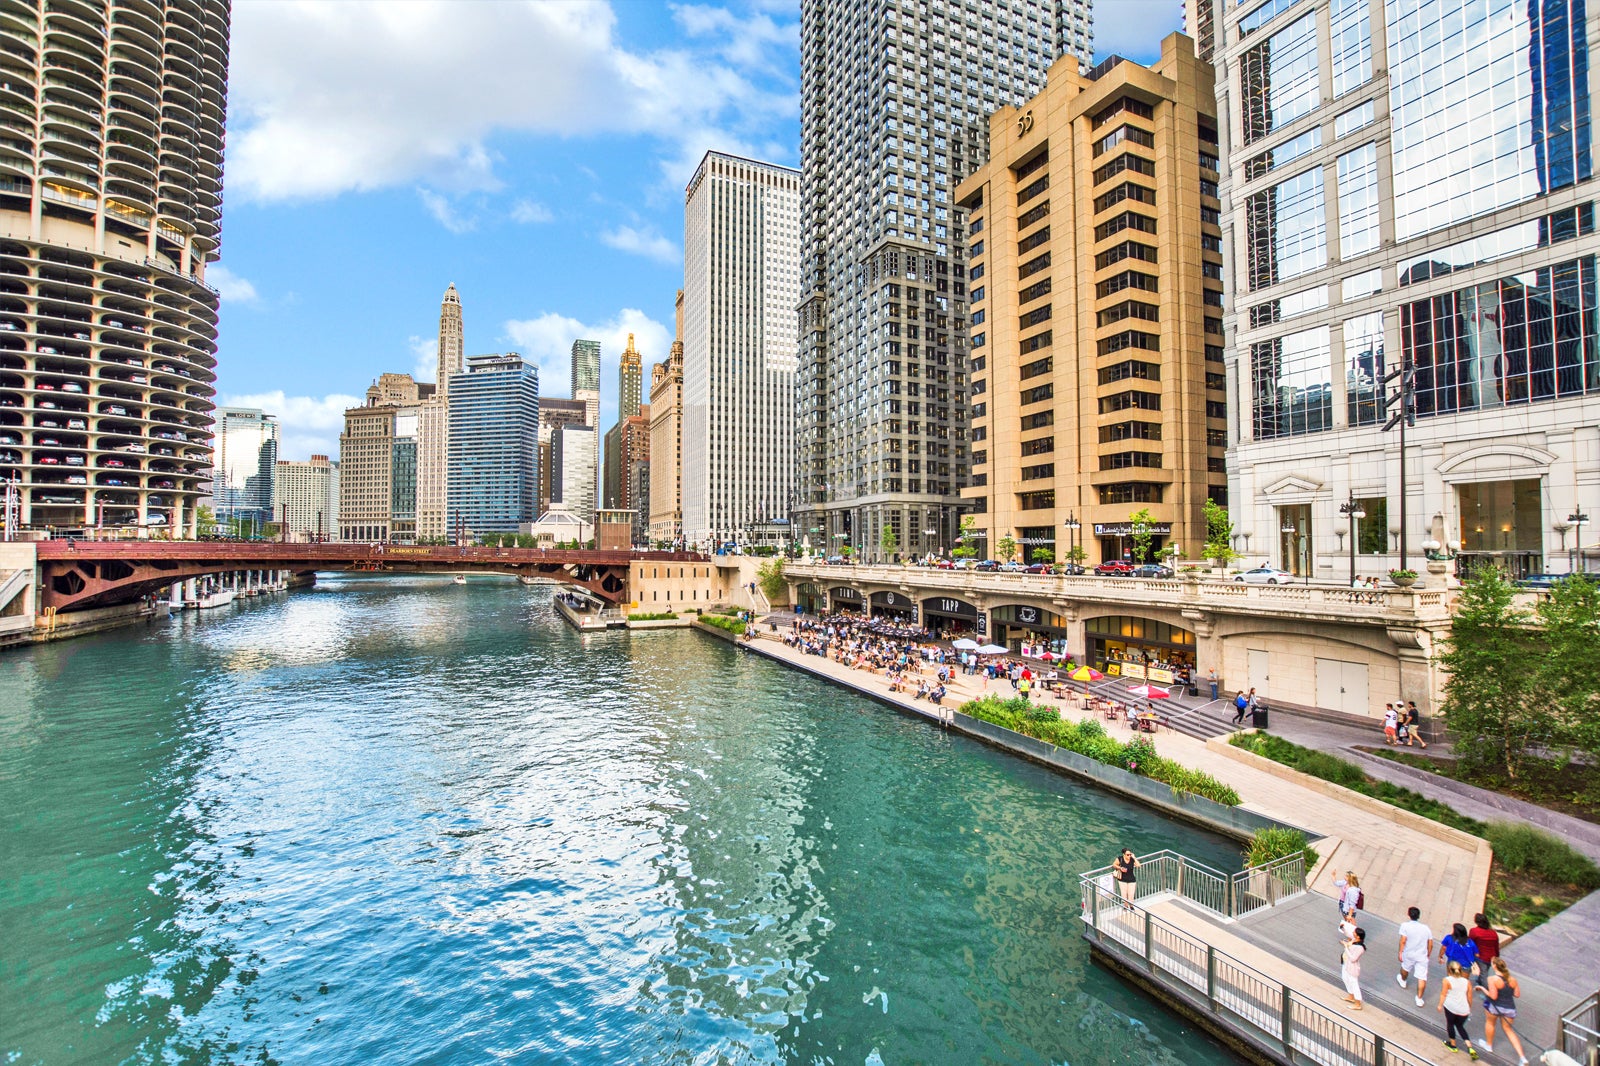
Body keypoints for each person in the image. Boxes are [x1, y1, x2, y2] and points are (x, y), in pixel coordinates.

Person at [1478, 957, 1528, 1065]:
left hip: (1495, 1007)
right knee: (1509, 1030)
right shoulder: (1512, 979)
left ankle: (1489, 1045)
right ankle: (1522, 1058)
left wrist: (1482, 989)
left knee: (1490, 1023)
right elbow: (1517, 994)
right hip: (1509, 1008)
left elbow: (1493, 996)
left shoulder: (1492, 979)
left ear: (1494, 966)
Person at [1396, 906, 1435, 1008]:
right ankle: (1419, 998)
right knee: (1422, 977)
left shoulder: (1405, 926)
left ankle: (1403, 981)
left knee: (1405, 968)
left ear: (1409, 915)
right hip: (1422, 955)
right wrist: (1428, 954)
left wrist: (1400, 951)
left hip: (1409, 953)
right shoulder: (1426, 928)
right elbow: (1430, 943)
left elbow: (1403, 940)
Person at [1438, 960, 1477, 1058]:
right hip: (1463, 1009)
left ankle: (1453, 1045)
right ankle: (1469, 1046)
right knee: (1460, 1026)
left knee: (1450, 1024)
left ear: (1449, 970)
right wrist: (1469, 1008)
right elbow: (1469, 997)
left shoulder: (1446, 980)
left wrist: (1440, 1005)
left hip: (1450, 1007)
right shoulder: (1467, 982)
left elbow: (1443, 994)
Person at [1467, 914, 1499, 986]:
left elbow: (1470, 943)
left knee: (1484, 974)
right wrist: (1497, 956)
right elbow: (1496, 945)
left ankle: (1488, 991)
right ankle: (1479, 981)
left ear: (1476, 921)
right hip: (1491, 956)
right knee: (1484, 970)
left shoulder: (1474, 931)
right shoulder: (1493, 933)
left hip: (1481, 956)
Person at [1341, 926, 1366, 1009]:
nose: (1353, 933)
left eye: (1355, 933)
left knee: (1354, 983)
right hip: (1346, 963)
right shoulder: (1354, 940)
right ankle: (1351, 996)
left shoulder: (1360, 948)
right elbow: (1348, 933)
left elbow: (1353, 959)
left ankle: (1358, 1003)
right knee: (1345, 978)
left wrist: (1345, 947)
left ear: (1358, 936)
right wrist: (1343, 928)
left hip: (1352, 967)